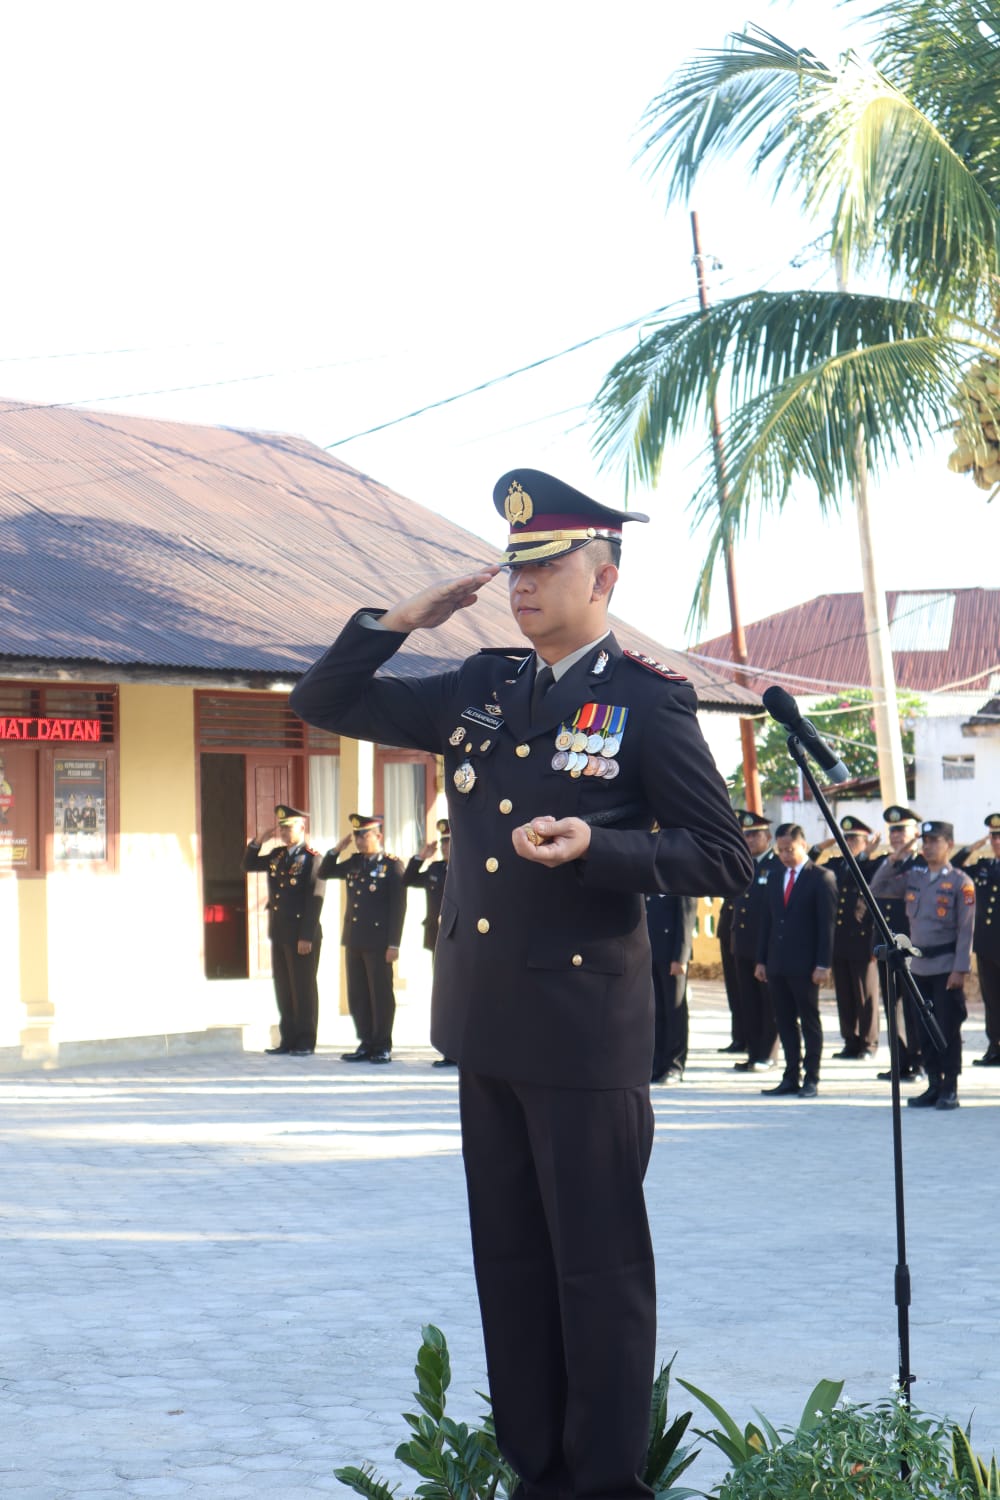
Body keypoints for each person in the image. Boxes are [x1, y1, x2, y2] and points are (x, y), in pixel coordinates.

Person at [289, 466, 754, 1500]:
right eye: (513, 569)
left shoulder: (645, 703)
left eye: (545, 567)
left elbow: (722, 858)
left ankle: (601, 1484)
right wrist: (396, 619)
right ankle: (535, 1472)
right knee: (509, 1268)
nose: (522, 586)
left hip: (584, 1027)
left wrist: (602, 843)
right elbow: (322, 700)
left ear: (605, 575)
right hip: (487, 1019)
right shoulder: (482, 687)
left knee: (596, 1272)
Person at [870, 819, 975, 1109]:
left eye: (935, 841)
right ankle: (933, 1084)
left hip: (945, 967)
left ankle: (949, 1087)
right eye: (925, 842)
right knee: (924, 1030)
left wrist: (960, 969)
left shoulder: (959, 882)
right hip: (918, 966)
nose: (928, 847)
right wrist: (895, 856)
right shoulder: (914, 877)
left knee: (947, 1029)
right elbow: (877, 888)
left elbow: (966, 930)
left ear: (949, 845)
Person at [755, 822, 837, 1098]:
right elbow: (766, 920)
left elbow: (827, 927)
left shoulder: (821, 878)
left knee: (809, 1021)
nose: (785, 855)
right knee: (785, 1021)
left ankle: (811, 1077)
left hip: (806, 965)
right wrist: (761, 960)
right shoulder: (775, 874)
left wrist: (823, 964)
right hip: (777, 964)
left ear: (803, 845)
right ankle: (790, 1076)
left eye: (790, 849)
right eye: (780, 850)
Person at [320, 814, 406, 1064]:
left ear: (378, 836)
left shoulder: (392, 866)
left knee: (380, 994)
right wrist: (337, 848)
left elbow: (398, 907)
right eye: (356, 835)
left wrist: (394, 943)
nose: (358, 840)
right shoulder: (354, 862)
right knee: (358, 993)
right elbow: (325, 871)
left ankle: (382, 1045)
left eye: (364, 835)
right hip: (354, 938)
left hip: (379, 942)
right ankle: (366, 1042)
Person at [242, 804, 325, 1056]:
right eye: (282, 828)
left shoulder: (313, 858)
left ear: (302, 827)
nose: (285, 833)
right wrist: (258, 841)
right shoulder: (278, 855)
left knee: (303, 988)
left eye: (289, 828)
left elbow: (315, 898)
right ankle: (288, 1039)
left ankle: (305, 1041)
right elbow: (249, 864)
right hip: (279, 932)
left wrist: (306, 936)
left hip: (302, 934)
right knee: (284, 987)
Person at [810, 816, 882, 1060]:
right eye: (845, 838)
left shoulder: (872, 865)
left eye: (854, 839)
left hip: (863, 940)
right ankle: (850, 1041)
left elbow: (858, 877)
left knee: (865, 995)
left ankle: (868, 1043)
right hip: (838, 939)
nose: (848, 842)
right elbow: (806, 868)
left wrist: (863, 857)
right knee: (845, 994)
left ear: (867, 841)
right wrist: (820, 846)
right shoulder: (835, 864)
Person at [870, 804, 925, 1081]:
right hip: (889, 946)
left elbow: (906, 891)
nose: (896, 837)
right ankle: (900, 1061)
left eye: (902, 831)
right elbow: (875, 890)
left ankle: (918, 1061)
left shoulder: (922, 864)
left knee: (915, 1006)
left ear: (915, 833)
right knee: (892, 1006)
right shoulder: (889, 862)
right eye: (893, 832)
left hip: (912, 946)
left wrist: (901, 859)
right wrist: (893, 860)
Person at [729, 810, 780, 1074]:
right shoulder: (744, 863)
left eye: (754, 834)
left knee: (767, 1002)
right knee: (747, 1001)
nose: (749, 839)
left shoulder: (775, 865)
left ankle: (768, 1054)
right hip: (744, 944)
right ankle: (753, 1052)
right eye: (746, 834)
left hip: (766, 945)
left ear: (768, 837)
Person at [404, 817, 456, 1067]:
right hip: (437, 940)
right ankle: (448, 1050)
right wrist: (420, 857)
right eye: (444, 843)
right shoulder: (435, 869)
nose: (446, 847)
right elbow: (407, 880)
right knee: (444, 996)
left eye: (450, 842)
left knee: (459, 995)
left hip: (460, 941)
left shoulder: (468, 869)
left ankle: (459, 1051)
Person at [953, 813, 1000, 1066]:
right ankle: (995, 1047)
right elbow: (954, 868)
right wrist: (973, 847)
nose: (996, 841)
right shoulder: (984, 866)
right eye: (993, 836)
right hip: (986, 945)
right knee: (992, 1000)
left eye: (999, 836)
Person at [645, 892, 698, 1083]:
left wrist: (681, 957)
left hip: (671, 956)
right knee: (655, 1011)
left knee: (674, 1011)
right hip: (651, 953)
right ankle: (658, 1064)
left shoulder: (680, 879)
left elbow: (686, 919)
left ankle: (674, 1065)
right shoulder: (650, 877)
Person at [715, 894, 745, 1055]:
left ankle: (749, 1038)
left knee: (745, 990)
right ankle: (738, 1037)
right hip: (728, 928)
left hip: (746, 932)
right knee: (733, 989)